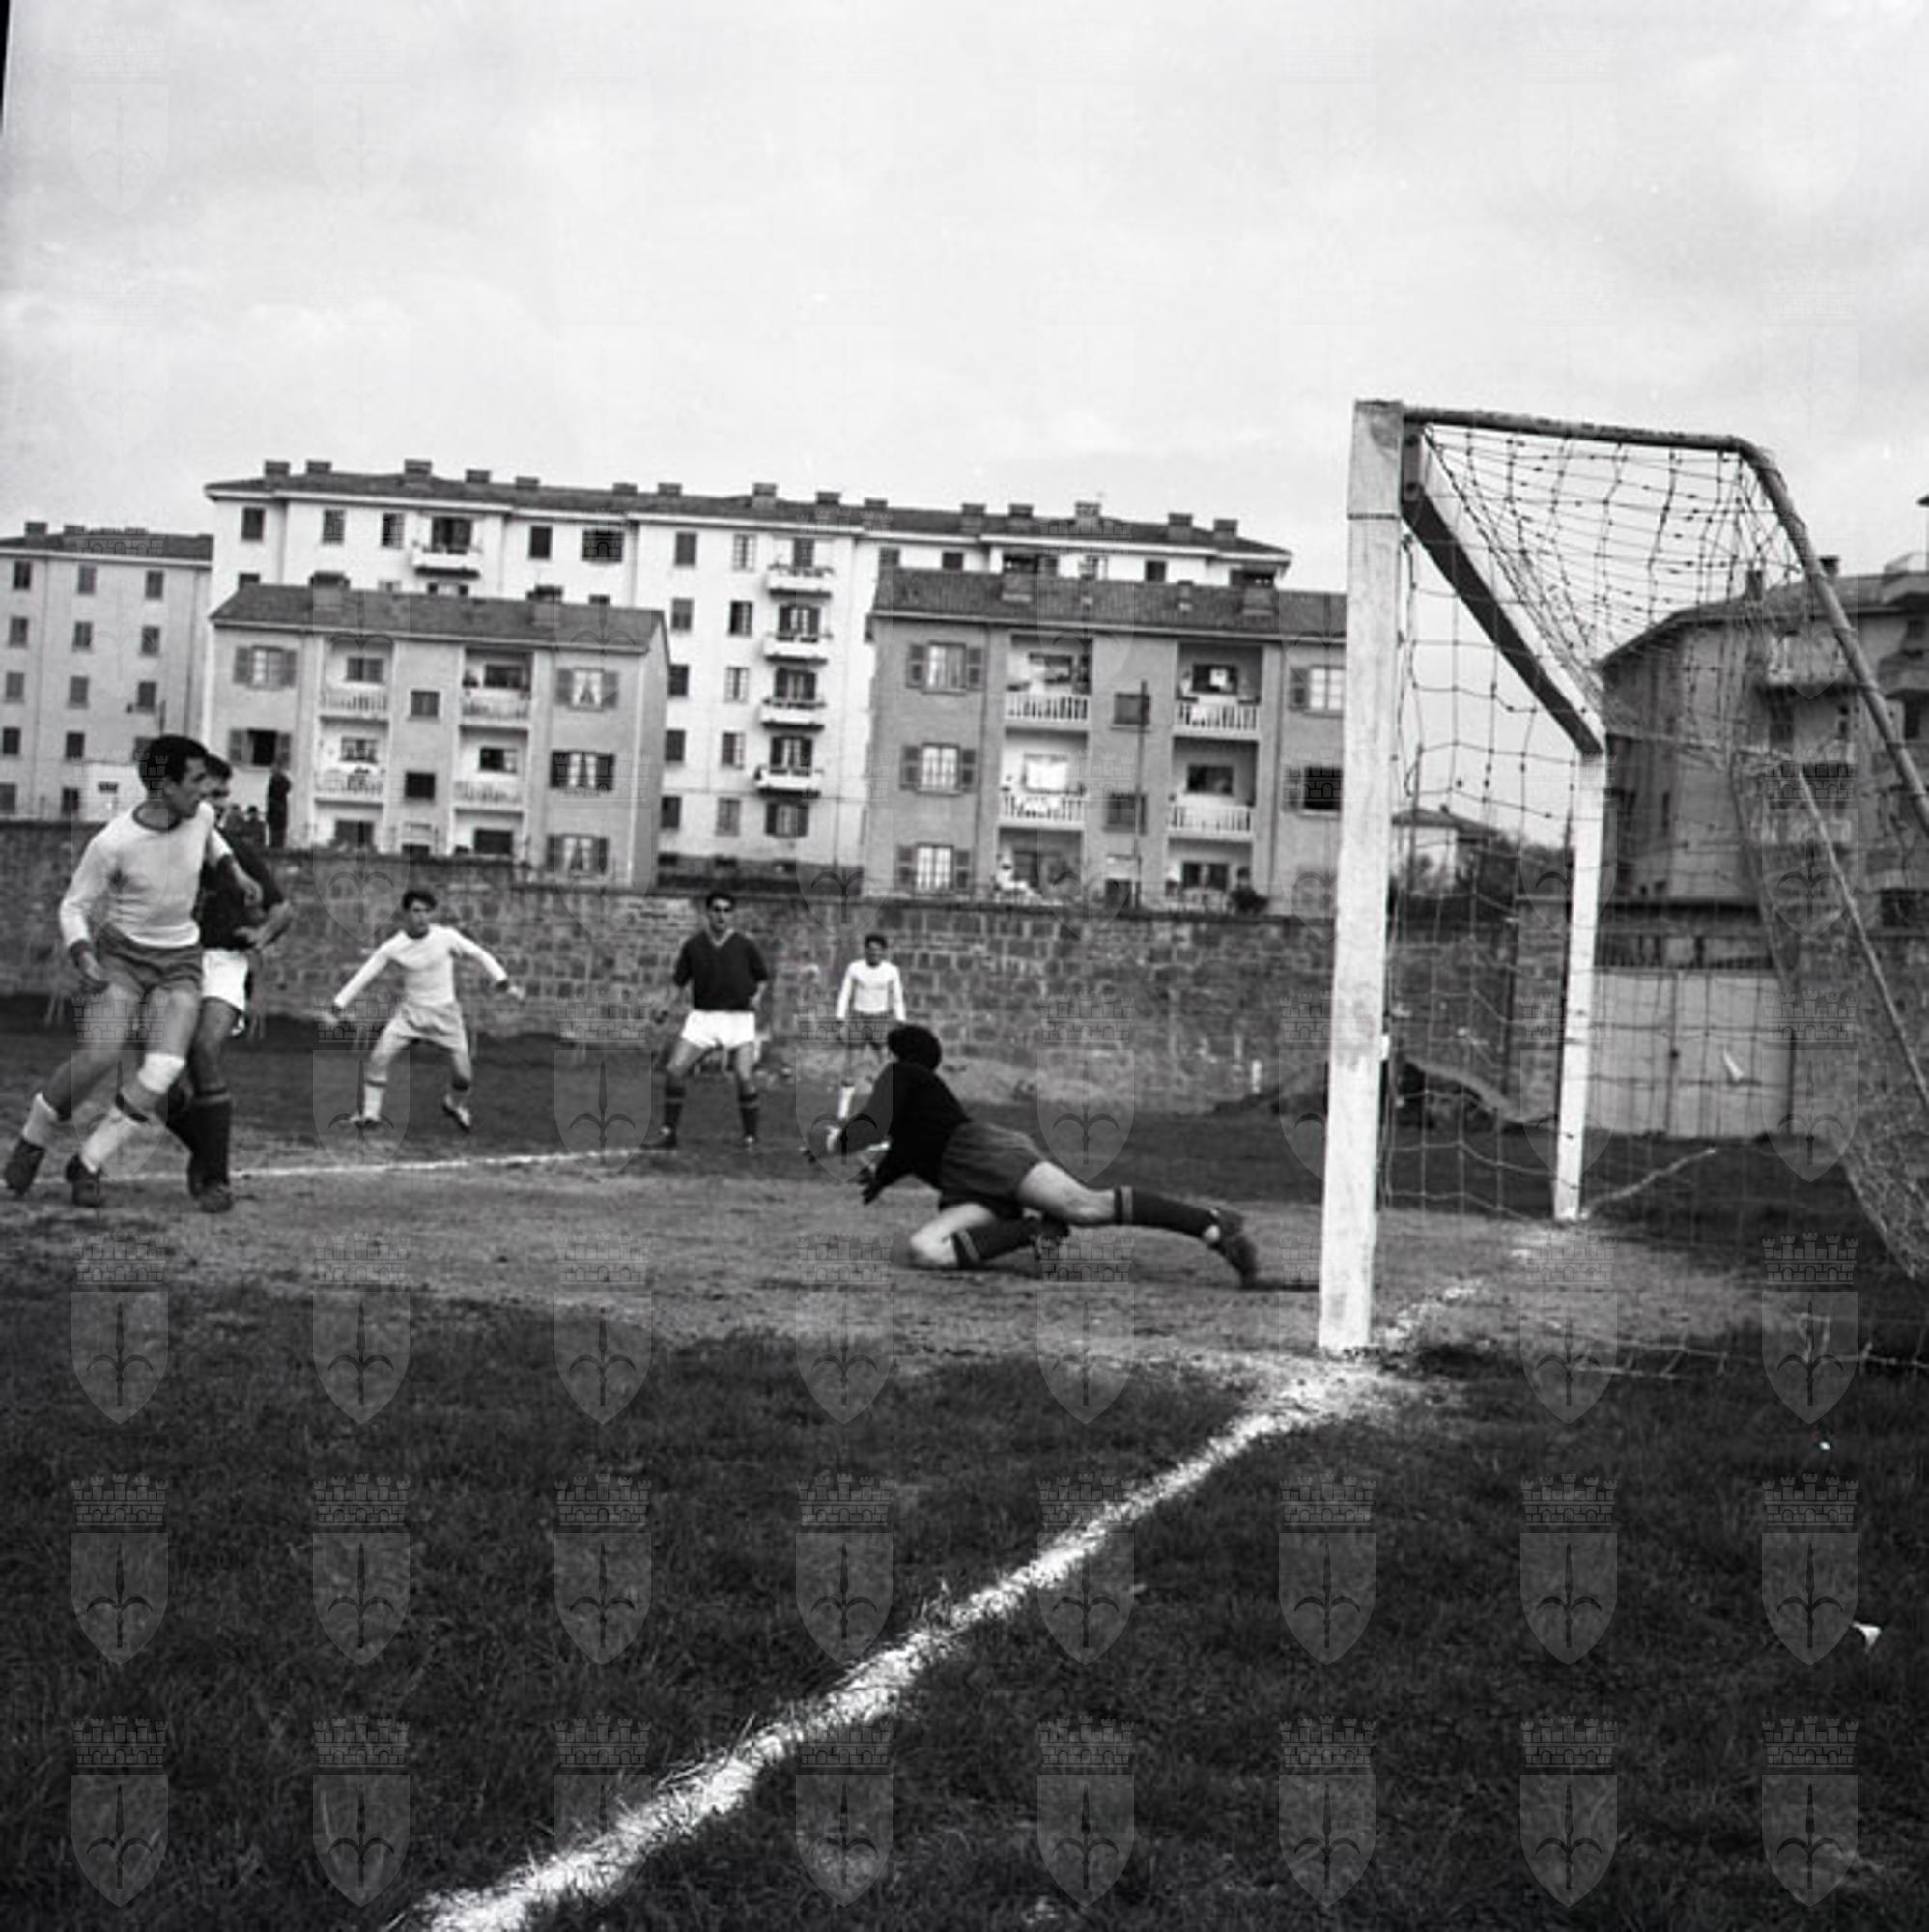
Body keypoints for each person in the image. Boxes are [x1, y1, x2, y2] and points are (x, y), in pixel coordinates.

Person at [4, 735, 264, 1208]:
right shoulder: (113, 843)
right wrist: (84, 955)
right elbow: (73, 906)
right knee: (100, 1057)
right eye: (195, 780)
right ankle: (32, 1140)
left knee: (164, 1067)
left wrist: (236, 873)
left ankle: (88, 1161)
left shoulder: (200, 816)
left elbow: (212, 840)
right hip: (122, 959)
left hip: (180, 961)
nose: (204, 790)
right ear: (165, 787)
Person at [827, 1024, 1261, 1285]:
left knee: (1084, 1207)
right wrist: (880, 1177)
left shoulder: (901, 1073)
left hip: (986, 1155)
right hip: (967, 1185)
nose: (878, 1060)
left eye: (883, 1053)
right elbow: (906, 1147)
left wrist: (832, 1142)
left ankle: (1209, 1223)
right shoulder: (912, 1091)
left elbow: (872, 1127)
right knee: (925, 1251)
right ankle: (1034, 1232)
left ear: (898, 1055)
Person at [158, 756, 294, 1213]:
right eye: (209, 794)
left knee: (204, 1049)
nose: (217, 804)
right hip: (169, 961)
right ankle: (206, 1148)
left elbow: (282, 910)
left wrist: (262, 934)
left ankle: (216, 1179)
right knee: (157, 1082)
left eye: (222, 796)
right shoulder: (162, 845)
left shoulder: (238, 853)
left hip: (223, 961)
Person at [326, 889, 524, 1133]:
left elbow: (479, 954)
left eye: (427, 912)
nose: (422, 917)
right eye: (417, 911)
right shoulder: (394, 947)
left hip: (446, 1015)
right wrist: (336, 1007)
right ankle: (370, 1115)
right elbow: (364, 975)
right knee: (378, 1058)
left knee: (464, 1077)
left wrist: (505, 984)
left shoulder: (446, 937)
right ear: (405, 914)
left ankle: (453, 1105)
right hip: (410, 1015)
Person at [650, 891, 769, 1151]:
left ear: (732, 915)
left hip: (738, 1018)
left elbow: (762, 978)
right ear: (708, 913)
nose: (721, 916)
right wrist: (665, 1006)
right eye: (716, 910)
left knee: (744, 1076)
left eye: (727, 910)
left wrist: (757, 996)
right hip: (703, 1017)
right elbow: (679, 982)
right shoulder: (693, 946)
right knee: (674, 1070)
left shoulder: (745, 945)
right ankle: (668, 1134)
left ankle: (751, 1138)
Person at [832, 931, 907, 1120]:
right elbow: (845, 994)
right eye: (871, 949)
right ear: (865, 950)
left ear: (884, 952)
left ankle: (883, 1111)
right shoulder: (855, 968)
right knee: (851, 1065)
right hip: (858, 1018)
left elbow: (897, 998)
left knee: (884, 1067)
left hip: (880, 1019)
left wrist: (900, 1019)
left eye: (878, 950)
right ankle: (842, 1113)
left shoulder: (891, 971)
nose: (874, 953)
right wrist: (839, 1018)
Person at [265, 760, 290, 848]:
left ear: (279, 769)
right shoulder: (272, 780)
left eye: (274, 768)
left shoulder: (283, 781)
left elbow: (285, 789)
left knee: (279, 836)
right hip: (272, 813)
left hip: (280, 813)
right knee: (272, 836)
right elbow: (269, 796)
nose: (272, 769)